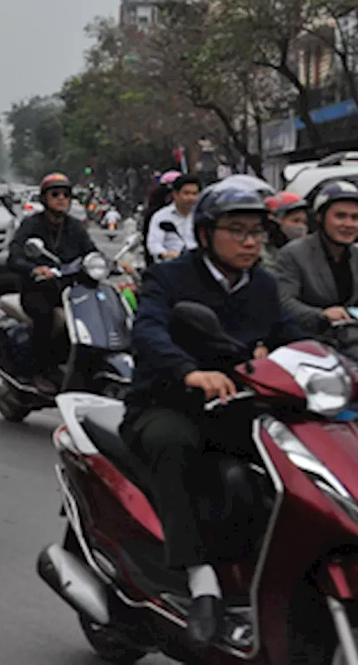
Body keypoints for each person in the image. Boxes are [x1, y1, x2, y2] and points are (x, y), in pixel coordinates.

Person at [119, 179, 309, 644]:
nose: (250, 241)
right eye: (237, 230)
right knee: (173, 442)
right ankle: (200, 578)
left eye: (257, 232)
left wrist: (346, 367)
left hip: (239, 405)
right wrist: (189, 372)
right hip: (166, 402)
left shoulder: (262, 284)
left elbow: (292, 335)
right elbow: (148, 331)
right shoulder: (169, 278)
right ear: (205, 234)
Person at [6, 172, 98, 393]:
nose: (61, 198)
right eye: (55, 194)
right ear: (44, 198)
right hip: (39, 290)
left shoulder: (75, 227)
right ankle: (40, 370)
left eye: (65, 194)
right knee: (45, 316)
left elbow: (91, 252)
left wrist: (106, 264)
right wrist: (34, 269)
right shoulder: (31, 225)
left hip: (70, 290)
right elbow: (14, 256)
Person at [274, 180, 358, 342]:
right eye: (340, 216)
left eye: (355, 218)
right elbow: (283, 302)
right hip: (304, 341)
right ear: (319, 218)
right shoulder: (293, 254)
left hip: (346, 340)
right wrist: (321, 315)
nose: (349, 224)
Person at [146, 173, 202, 262]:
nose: (191, 198)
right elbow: (154, 245)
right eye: (186, 193)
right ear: (175, 194)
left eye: (194, 194)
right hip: (171, 265)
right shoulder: (161, 217)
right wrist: (166, 254)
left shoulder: (202, 215)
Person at [260, 191, 309, 271]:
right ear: (275, 222)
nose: (301, 227)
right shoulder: (260, 256)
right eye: (295, 221)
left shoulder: (307, 256)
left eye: (304, 222)